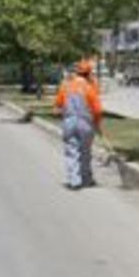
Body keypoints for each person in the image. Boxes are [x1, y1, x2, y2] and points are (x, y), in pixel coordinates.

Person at [54, 60, 102, 190]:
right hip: (85, 124)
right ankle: (86, 179)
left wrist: (62, 112)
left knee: (72, 151)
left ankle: (74, 181)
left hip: (69, 122)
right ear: (88, 73)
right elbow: (97, 110)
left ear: (77, 72)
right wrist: (97, 124)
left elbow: (57, 105)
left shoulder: (66, 86)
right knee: (85, 152)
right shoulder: (90, 88)